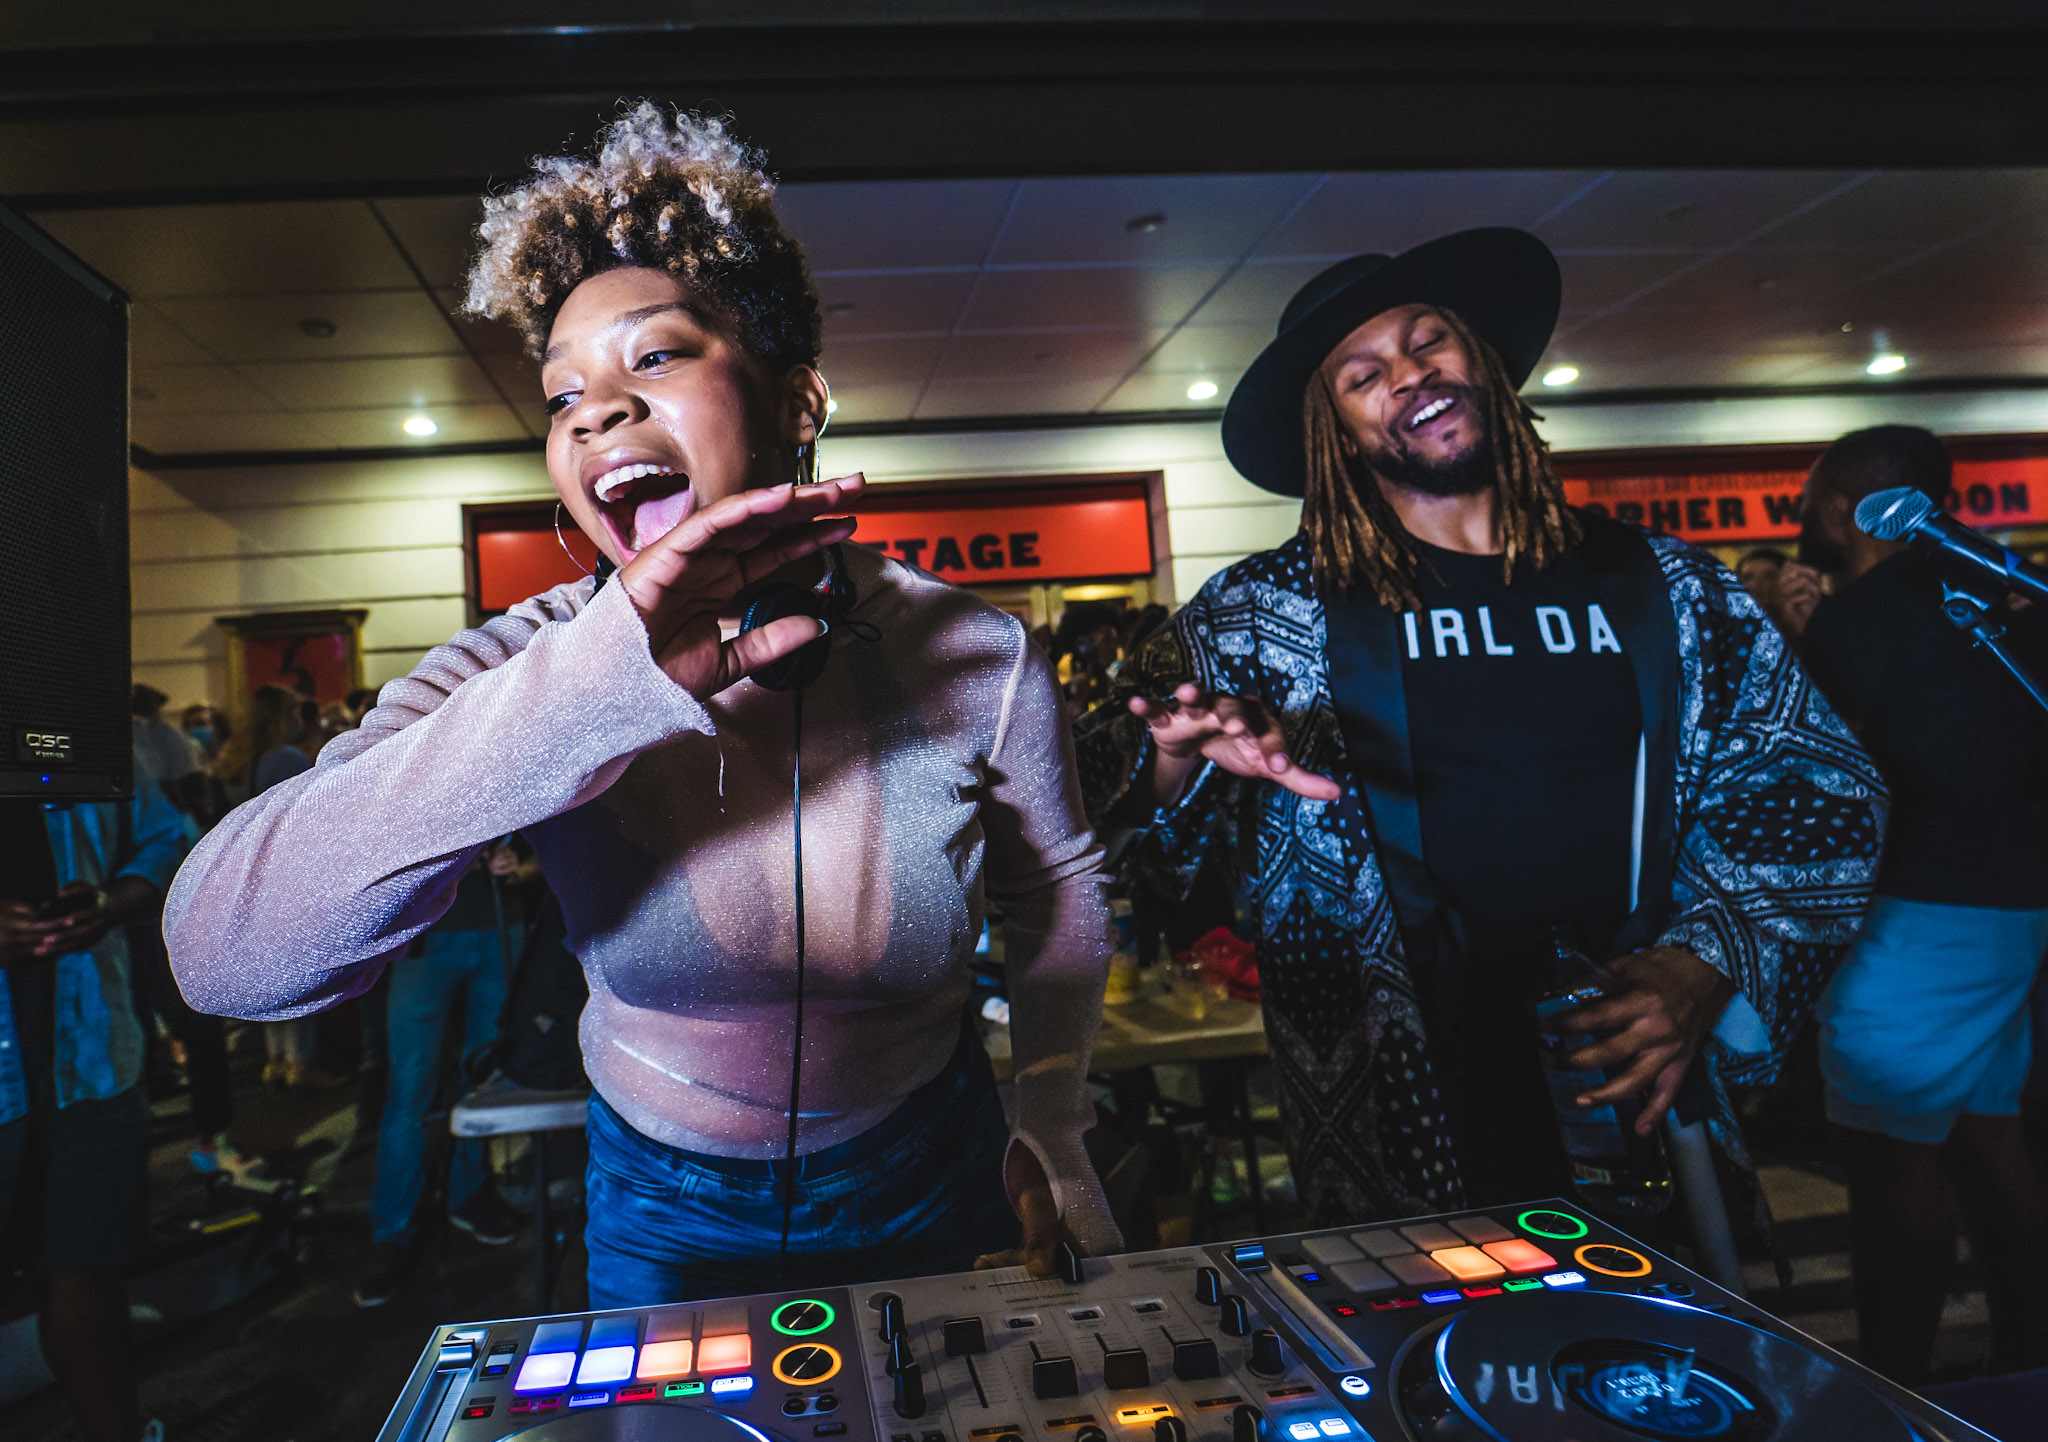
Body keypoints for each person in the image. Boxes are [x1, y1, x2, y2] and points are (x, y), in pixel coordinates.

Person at [166, 102, 1119, 1308]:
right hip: (662, 1201)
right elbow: (222, 954)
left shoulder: (974, 653)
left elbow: (1056, 887)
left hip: (931, 1163)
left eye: (654, 356)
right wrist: (595, 688)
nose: (596, 411)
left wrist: (1047, 1114)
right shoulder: (523, 665)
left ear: (795, 403)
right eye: (562, 395)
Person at [1076, 228, 1888, 1220]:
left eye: (1428, 342)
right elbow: (1085, 815)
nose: (1408, 375)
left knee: (1661, 1352)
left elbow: (1817, 786)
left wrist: (1702, 962)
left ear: (1483, 363)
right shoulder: (1257, 616)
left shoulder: (1662, 587)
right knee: (1429, 1356)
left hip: (1632, 1060)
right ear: (1333, 430)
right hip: (1392, 1093)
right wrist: (1169, 757)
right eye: (1361, 374)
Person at [1780, 425, 2048, 1384]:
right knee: (1984, 1133)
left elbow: (1829, 776)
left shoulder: (1863, 622)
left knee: (1891, 1155)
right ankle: (2023, 1360)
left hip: (1922, 911)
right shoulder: (1989, 600)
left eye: (1809, 496)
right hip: (2007, 905)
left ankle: (1890, 1378)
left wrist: (1797, 637)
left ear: (1852, 506)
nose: (1799, 516)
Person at [3, 772, 187, 1442]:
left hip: (89, 1060)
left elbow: (166, 840)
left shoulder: (88, 735)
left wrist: (108, 901)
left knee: (86, 1269)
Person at [353, 838, 534, 1307]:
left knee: (483, 1078)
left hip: (499, 927)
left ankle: (468, 1194)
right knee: (410, 1089)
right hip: (423, 940)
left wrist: (524, 863)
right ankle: (392, 1230)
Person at [210, 684, 342, 1090]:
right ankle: (300, 1064)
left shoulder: (233, 761)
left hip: (244, 883)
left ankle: (276, 1062)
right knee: (300, 974)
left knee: (269, 975)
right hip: (287, 879)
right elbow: (308, 817)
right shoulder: (285, 758)